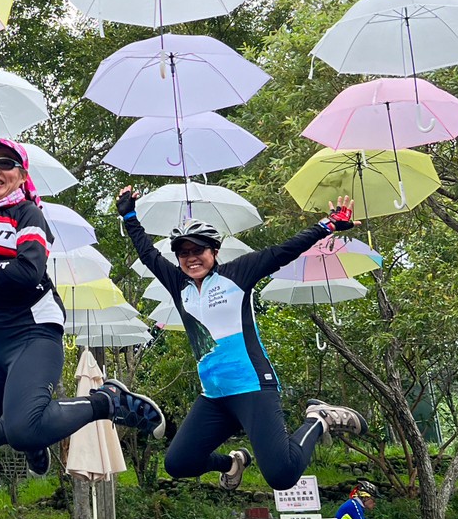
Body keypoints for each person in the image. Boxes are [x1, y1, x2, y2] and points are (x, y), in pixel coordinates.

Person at [0, 71, 166, 475]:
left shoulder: (29, 216)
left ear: (21, 176)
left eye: (5, 164)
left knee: (27, 429)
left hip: (34, 333)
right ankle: (30, 429)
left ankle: (107, 401)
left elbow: (27, 274)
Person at [118, 187, 368, 492]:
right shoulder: (177, 284)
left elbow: (283, 251)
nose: (191, 258)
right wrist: (129, 214)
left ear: (214, 252)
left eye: (198, 250)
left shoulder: (238, 274)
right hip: (214, 396)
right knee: (178, 463)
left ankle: (319, 418)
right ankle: (233, 462)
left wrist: (327, 226)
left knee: (282, 476)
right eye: (183, 253)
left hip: (251, 387)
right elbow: (148, 254)